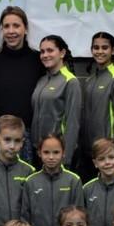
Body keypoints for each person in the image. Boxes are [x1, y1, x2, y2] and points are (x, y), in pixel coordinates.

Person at [0, 6, 45, 162]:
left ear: (26, 29)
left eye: (16, 25)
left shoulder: (38, 60)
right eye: (6, 26)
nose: (11, 31)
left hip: (27, 136)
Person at [20, 133, 84, 226]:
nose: (51, 157)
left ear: (63, 153)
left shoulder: (73, 181)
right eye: (46, 152)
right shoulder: (31, 182)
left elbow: (80, 216)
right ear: (39, 153)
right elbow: (25, 217)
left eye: (56, 152)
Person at [80, 32, 114, 181]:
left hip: (107, 153)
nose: (99, 51)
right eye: (96, 47)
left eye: (104, 47)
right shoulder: (90, 80)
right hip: (88, 151)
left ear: (113, 50)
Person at [30, 35, 82, 166]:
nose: (45, 55)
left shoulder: (71, 82)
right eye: (42, 51)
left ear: (62, 53)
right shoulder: (42, 80)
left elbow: (73, 122)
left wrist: (66, 157)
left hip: (57, 153)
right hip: (39, 151)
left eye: (50, 50)